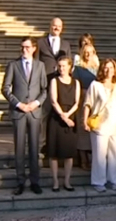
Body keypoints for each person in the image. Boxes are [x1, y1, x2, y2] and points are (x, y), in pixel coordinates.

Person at [1, 36, 47, 195]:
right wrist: (19, 104)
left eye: (27, 47)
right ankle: (20, 181)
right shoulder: (13, 65)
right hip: (19, 112)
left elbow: (44, 90)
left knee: (34, 148)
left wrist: (36, 103)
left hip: (34, 112)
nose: (24, 50)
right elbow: (5, 89)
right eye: (22, 47)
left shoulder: (40, 66)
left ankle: (35, 180)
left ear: (34, 48)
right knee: (19, 148)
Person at [83, 59, 116, 192]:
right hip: (100, 125)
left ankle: (113, 180)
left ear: (115, 69)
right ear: (102, 70)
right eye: (106, 68)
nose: (109, 70)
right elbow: (88, 103)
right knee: (99, 155)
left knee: (114, 155)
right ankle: (98, 181)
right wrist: (85, 121)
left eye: (111, 67)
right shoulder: (95, 85)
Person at [37, 17, 72, 153]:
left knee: (58, 115)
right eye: (54, 25)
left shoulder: (66, 44)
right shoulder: (40, 43)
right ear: (50, 26)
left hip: (60, 84)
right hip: (45, 84)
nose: (56, 28)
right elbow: (36, 62)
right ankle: (41, 145)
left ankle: (56, 146)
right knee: (44, 115)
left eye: (59, 26)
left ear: (62, 28)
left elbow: (69, 63)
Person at [48, 57, 81, 192]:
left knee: (69, 152)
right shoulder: (54, 81)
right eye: (59, 66)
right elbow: (53, 101)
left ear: (70, 67)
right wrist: (63, 116)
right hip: (57, 117)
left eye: (64, 66)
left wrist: (68, 116)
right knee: (54, 152)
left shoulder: (76, 82)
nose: (62, 68)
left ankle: (67, 180)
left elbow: (77, 102)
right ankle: (55, 181)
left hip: (71, 116)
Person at [72, 44, 99, 170]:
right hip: (83, 103)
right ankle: (83, 161)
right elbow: (75, 86)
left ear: (94, 53)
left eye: (90, 52)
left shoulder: (98, 68)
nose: (88, 55)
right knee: (83, 133)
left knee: (94, 132)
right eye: (85, 52)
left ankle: (95, 160)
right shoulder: (78, 69)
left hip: (96, 105)